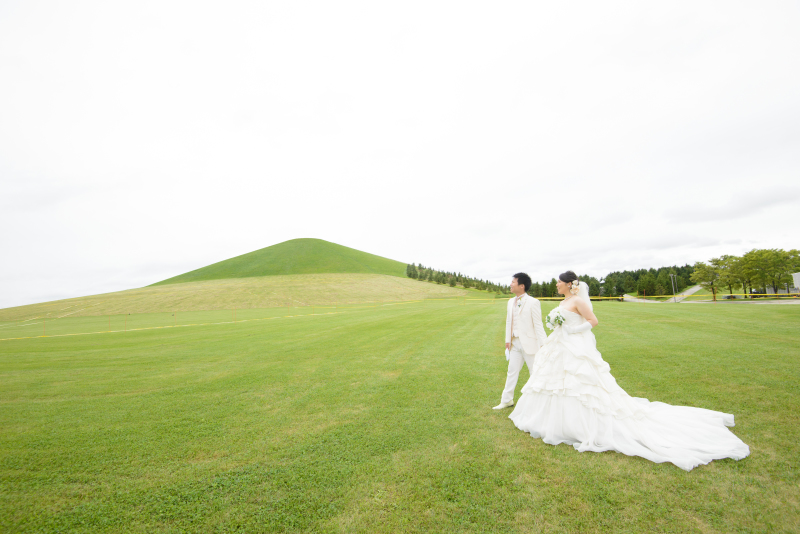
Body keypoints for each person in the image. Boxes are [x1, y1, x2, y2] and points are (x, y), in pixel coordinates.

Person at [508, 270, 750, 471]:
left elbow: (593, 322)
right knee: (555, 383)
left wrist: (573, 330)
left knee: (580, 383)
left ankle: (582, 423)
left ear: (570, 284)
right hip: (559, 347)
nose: (557, 284)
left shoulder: (579, 300)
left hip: (575, 347)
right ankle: (555, 420)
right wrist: (557, 326)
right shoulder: (563, 302)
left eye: (560, 281)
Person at [493, 273, 547, 410]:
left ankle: (540, 402)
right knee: (511, 371)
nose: (510, 284)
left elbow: (538, 324)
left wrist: (544, 344)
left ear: (521, 286)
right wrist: (507, 340)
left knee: (535, 373)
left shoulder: (534, 302)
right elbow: (508, 321)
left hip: (530, 344)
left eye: (513, 282)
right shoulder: (510, 301)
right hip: (515, 343)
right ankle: (507, 400)